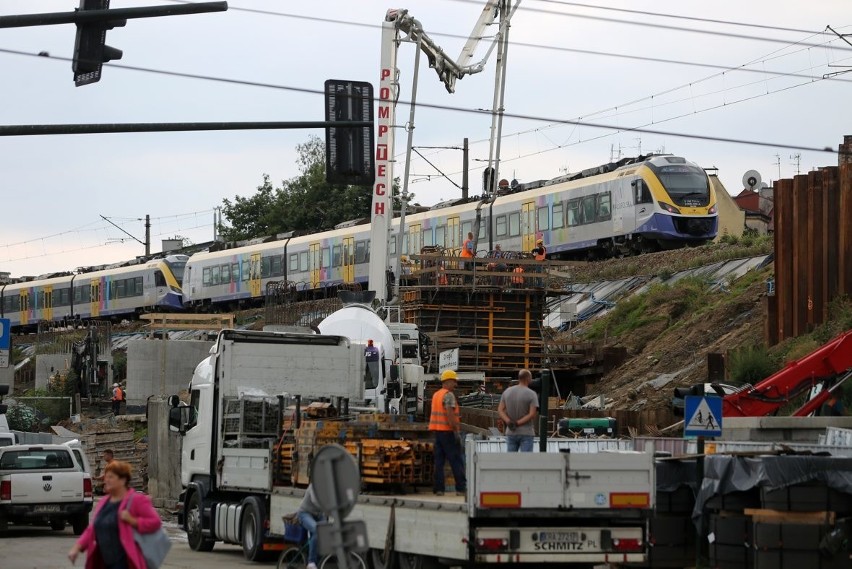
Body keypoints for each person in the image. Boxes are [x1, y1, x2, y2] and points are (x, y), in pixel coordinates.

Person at [68, 460, 162, 569]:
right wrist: (77, 547)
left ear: (123, 480)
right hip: (103, 562)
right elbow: (93, 528)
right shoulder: (104, 502)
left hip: (125, 562)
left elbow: (155, 522)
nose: (106, 480)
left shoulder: (136, 500)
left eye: (110, 477)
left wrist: (133, 520)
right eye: (106, 477)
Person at [429, 369, 467, 496]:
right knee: (456, 460)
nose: (455, 384)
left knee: (439, 462)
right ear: (448, 381)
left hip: (438, 433)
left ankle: (439, 489)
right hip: (448, 432)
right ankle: (461, 488)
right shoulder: (448, 395)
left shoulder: (436, 395)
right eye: (454, 381)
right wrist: (456, 431)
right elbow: (450, 415)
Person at [498, 369, 539, 452]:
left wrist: (509, 422)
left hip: (511, 432)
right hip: (526, 432)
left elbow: (500, 410)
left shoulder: (507, 392)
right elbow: (532, 414)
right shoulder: (532, 394)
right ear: (528, 379)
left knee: (512, 462)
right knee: (526, 461)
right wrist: (517, 423)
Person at [298, 483, 326, 569]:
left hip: (318, 515)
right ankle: (311, 562)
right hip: (305, 513)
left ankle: (320, 560)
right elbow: (315, 500)